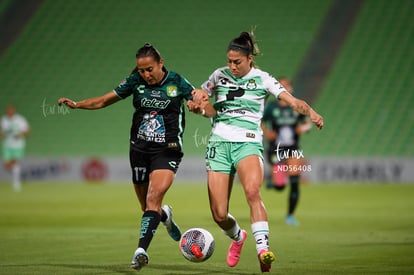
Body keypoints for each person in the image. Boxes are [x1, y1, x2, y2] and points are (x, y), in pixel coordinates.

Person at [58, 43, 211, 271]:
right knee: (147, 207)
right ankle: (164, 216)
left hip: (167, 150)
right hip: (138, 150)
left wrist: (197, 104)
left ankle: (140, 251)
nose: (146, 74)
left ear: (160, 63)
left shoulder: (176, 81)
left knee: (153, 197)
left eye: (150, 69)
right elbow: (103, 100)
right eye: (141, 70)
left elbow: (198, 99)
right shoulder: (135, 82)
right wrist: (78, 104)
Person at [190, 32, 323, 272]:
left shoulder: (263, 79)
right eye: (229, 61)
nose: (232, 66)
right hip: (219, 145)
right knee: (219, 215)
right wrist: (198, 104)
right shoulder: (218, 75)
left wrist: (310, 112)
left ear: (250, 58)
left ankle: (263, 249)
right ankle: (239, 237)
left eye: (237, 62)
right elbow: (206, 106)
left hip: (248, 143)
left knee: (252, 190)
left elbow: (292, 101)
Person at [261, 77, 312, 226]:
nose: (284, 87)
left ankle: (290, 215)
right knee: (280, 186)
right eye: (281, 85)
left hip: (293, 149)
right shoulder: (271, 107)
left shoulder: (296, 106)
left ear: (291, 89)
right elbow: (259, 121)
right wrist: (267, 132)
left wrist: (301, 129)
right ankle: (273, 182)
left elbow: (307, 124)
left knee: (295, 181)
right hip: (276, 149)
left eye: (287, 85)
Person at [0, 104, 30, 192]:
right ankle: (17, 175)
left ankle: (16, 183)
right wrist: (2, 134)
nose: (9, 112)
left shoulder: (20, 120)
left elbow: (27, 131)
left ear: (14, 111)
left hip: (18, 145)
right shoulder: (3, 120)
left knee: (15, 162)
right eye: (8, 110)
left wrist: (19, 135)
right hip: (7, 145)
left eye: (11, 110)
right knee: (7, 164)